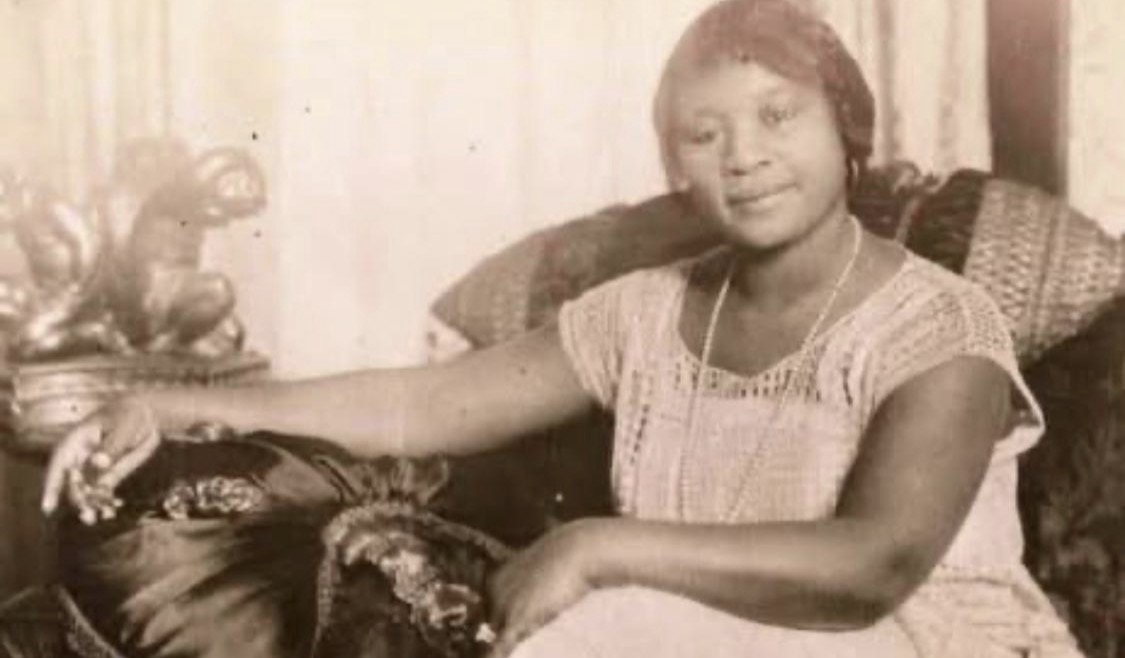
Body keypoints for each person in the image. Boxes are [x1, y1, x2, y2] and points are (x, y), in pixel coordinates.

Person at [43, 1, 1082, 656]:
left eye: (779, 115)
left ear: (847, 130)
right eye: (704, 132)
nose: (744, 155)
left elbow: (871, 569)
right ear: (674, 166)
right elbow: (420, 404)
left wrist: (596, 545)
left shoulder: (938, 324)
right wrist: (168, 401)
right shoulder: (649, 311)